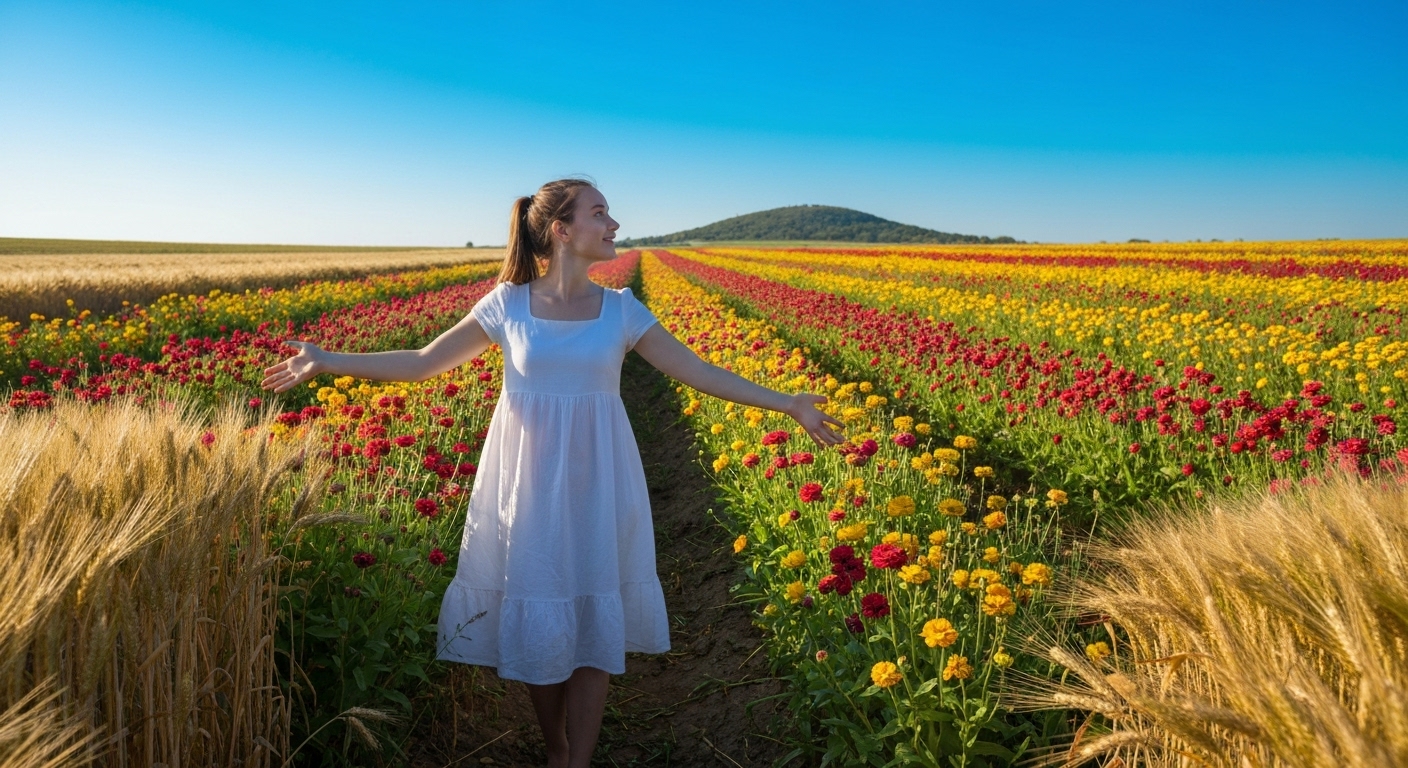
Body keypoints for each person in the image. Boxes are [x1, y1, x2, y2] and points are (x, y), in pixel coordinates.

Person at [260, 178, 844, 768]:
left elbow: (698, 371)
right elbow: (423, 362)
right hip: (528, 485)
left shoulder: (620, 310)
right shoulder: (507, 304)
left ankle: (577, 760)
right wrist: (328, 359)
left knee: (593, 619)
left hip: (600, 482)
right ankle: (555, 747)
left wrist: (787, 402)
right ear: (561, 230)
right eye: (600, 213)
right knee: (540, 613)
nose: (614, 224)